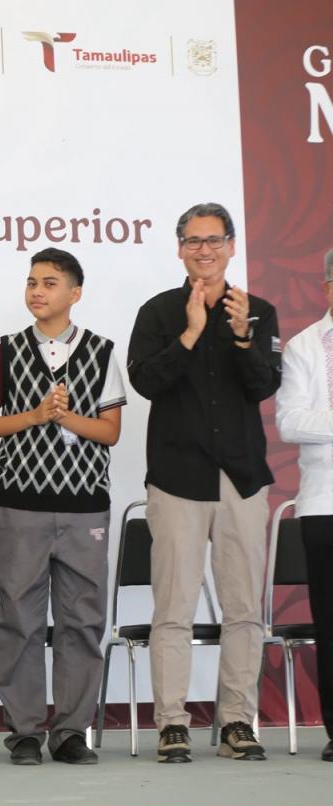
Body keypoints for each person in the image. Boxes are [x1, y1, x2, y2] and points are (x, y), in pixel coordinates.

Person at [128, 202, 280, 763]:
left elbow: (265, 385)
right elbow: (146, 382)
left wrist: (241, 338)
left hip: (241, 479)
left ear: (232, 247)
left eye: (214, 240)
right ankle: (172, 723)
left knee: (244, 609)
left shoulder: (258, 311)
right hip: (177, 478)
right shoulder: (158, 312)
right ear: (179, 249)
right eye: (193, 241)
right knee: (173, 607)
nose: (204, 250)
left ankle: (237, 720)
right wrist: (191, 334)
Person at [0, 247, 125, 766]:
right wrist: (36, 415)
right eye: (32, 282)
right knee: (18, 618)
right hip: (20, 506)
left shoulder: (101, 351)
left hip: (85, 509)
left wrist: (65, 418)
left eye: (50, 283)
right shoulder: (6, 351)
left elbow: (110, 432)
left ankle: (71, 731)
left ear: (75, 293)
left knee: (82, 621)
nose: (37, 291)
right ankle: (24, 732)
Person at [274, 245, 333, 764]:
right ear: (328, 287)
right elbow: (291, 422)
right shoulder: (303, 347)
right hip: (324, 504)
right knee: (330, 625)